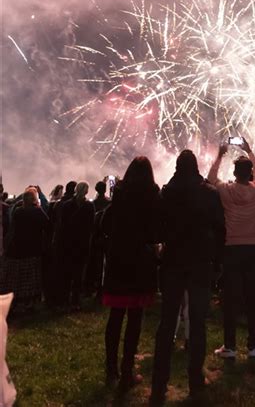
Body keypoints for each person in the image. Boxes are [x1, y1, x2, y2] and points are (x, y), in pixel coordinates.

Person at [150, 149, 225, 405]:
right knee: (198, 322)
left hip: (173, 263)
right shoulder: (209, 193)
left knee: (167, 322)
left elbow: (158, 228)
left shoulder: (167, 193)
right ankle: (195, 380)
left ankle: (159, 384)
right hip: (200, 263)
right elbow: (220, 230)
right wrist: (217, 261)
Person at [102, 157, 161, 391]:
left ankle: (110, 368)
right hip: (140, 262)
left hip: (119, 260)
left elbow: (106, 224)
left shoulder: (120, 193)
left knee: (115, 317)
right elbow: (156, 230)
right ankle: (127, 370)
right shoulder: (152, 195)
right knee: (135, 319)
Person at [207, 139, 255, 359]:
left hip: (232, 248)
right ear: (249, 173)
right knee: (252, 298)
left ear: (235, 171)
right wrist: (249, 150)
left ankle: (230, 346)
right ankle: (253, 346)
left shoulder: (227, 191)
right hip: (252, 249)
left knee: (230, 298)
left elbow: (212, 179)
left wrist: (221, 154)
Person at [0, 188, 49, 312]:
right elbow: (47, 225)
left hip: (17, 248)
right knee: (30, 278)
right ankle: (28, 302)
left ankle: (15, 301)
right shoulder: (37, 212)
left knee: (17, 278)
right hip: (32, 248)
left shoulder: (18, 211)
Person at [55, 181, 94, 310]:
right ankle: (75, 301)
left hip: (68, 242)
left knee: (67, 273)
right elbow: (91, 226)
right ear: (87, 191)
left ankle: (64, 299)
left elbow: (62, 224)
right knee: (78, 274)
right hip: (81, 243)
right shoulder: (89, 206)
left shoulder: (67, 205)